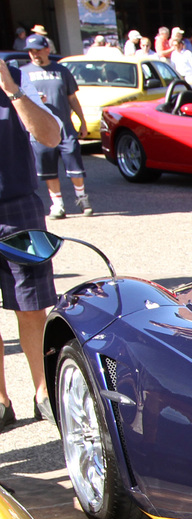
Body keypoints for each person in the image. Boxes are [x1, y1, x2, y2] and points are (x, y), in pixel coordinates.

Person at [0, 56, 62, 430]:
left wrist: (13, 90)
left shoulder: (16, 76)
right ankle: (0, 401)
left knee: (32, 306)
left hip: (18, 207)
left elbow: (50, 136)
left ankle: (43, 392)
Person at [18, 35, 89, 220]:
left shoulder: (61, 71)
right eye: (31, 51)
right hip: (39, 129)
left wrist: (82, 121)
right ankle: (57, 204)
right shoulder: (21, 73)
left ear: (47, 49)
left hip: (64, 127)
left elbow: (72, 98)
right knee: (48, 168)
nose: (34, 54)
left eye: (38, 50)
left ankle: (82, 197)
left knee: (75, 165)